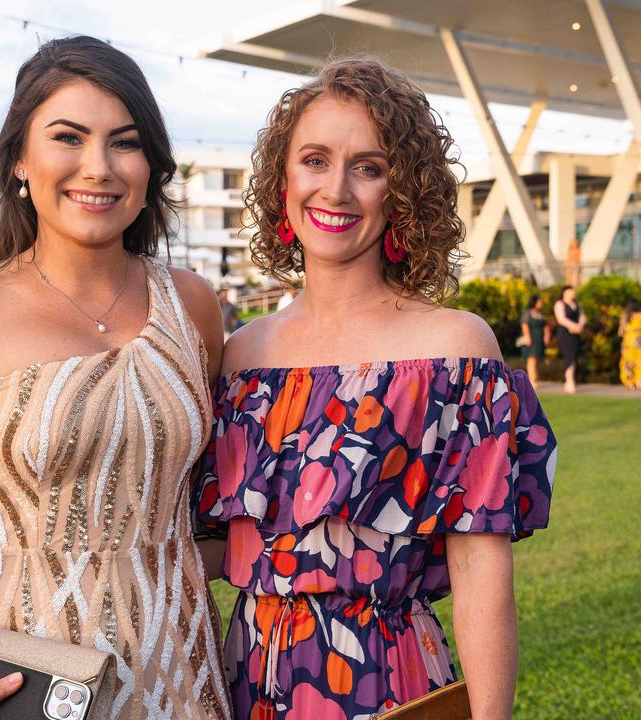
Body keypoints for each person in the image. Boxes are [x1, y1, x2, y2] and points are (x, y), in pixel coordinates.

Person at [0, 36, 232, 720]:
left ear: (150, 167)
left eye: (124, 142)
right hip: (16, 680)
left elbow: (207, 501)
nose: (98, 167)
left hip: (176, 669)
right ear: (21, 161)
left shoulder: (194, 305)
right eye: (68, 137)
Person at [194, 57, 556, 720]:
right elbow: (216, 548)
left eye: (369, 167)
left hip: (389, 683)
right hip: (246, 681)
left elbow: (481, 577)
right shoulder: (239, 356)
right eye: (314, 160)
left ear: (404, 193)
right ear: (282, 180)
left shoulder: (455, 351)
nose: (335, 189)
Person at [553, 285, 585, 394]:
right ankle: (569, 381)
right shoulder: (560, 304)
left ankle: (570, 381)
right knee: (569, 356)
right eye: (570, 291)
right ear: (565, 293)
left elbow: (582, 317)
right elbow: (561, 319)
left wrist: (579, 326)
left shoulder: (577, 304)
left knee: (574, 356)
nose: (573, 293)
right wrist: (572, 326)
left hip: (575, 333)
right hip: (565, 333)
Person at [521, 295, 550, 389]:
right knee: (531, 359)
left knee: (537, 360)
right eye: (539, 302)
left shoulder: (541, 314)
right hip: (531, 339)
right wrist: (527, 336)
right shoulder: (527, 313)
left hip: (539, 340)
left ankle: (534, 379)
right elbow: (524, 324)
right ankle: (532, 380)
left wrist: (546, 336)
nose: (541, 304)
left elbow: (546, 326)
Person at [618, 300, 641, 390]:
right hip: (640, 342)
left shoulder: (625, 316)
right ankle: (639, 381)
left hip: (628, 341)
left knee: (627, 362)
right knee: (640, 361)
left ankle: (629, 382)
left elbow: (621, 331)